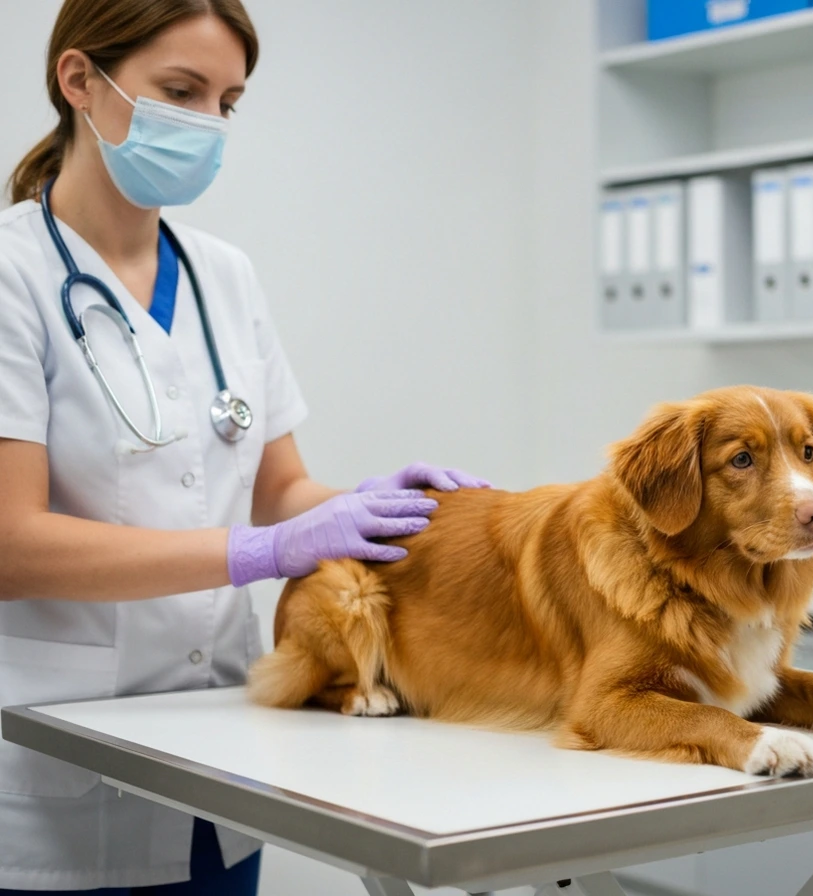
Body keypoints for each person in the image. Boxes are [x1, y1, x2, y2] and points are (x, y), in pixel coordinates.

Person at [0, 0, 488, 891]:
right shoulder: (13, 277)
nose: (207, 125)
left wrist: (363, 511)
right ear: (79, 81)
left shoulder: (224, 274)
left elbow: (280, 488)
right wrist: (256, 553)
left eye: (227, 102)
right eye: (179, 91)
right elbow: (10, 545)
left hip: (220, 750)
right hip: (58, 766)